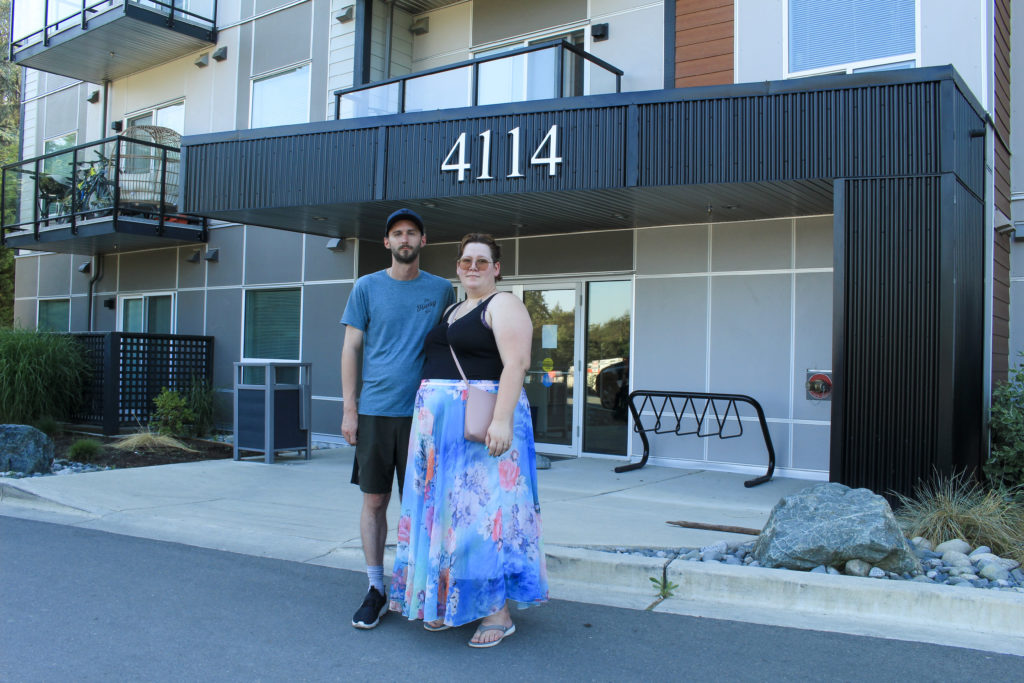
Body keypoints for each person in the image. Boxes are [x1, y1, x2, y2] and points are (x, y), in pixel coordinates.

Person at [389, 233, 548, 648]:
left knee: (482, 517)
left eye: (482, 260)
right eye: (465, 261)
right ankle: (451, 600)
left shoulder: (504, 304)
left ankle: (497, 611)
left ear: (497, 267)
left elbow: (517, 364)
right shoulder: (456, 307)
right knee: (447, 516)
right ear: (458, 267)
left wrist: (501, 420)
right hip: (441, 433)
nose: (472, 267)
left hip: (480, 424)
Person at [340, 208, 456, 630]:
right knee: (375, 501)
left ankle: (423, 589)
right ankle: (375, 588)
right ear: (387, 243)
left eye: (412, 233)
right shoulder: (367, 287)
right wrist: (349, 409)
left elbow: (454, 345)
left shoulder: (442, 290)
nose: (404, 239)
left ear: (423, 241)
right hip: (374, 411)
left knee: (422, 506)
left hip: (424, 416)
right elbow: (351, 349)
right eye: (397, 234)